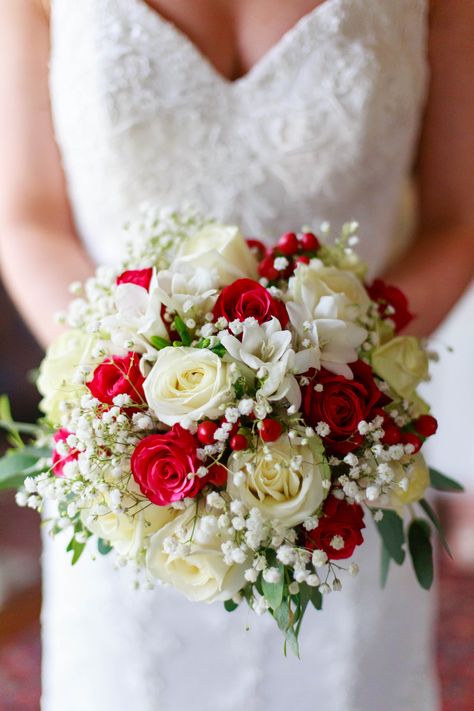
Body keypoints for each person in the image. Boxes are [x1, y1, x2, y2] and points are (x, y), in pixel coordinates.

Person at [0, 1, 472, 709]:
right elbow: (27, 216)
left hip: (347, 452)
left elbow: (455, 220)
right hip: (129, 472)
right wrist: (124, 391)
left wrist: (331, 386)